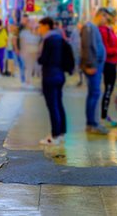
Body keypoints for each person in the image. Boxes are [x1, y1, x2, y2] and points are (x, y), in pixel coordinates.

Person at [37, 17, 67, 145]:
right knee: (59, 104)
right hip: (59, 74)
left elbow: (43, 59)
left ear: (46, 26)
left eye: (40, 26)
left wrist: (39, 57)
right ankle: (61, 133)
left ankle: (54, 136)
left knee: (52, 105)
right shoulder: (59, 38)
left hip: (50, 75)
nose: (39, 29)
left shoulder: (48, 40)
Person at [80, 8, 109, 134]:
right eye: (105, 17)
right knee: (94, 94)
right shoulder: (89, 28)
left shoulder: (93, 28)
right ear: (99, 15)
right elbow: (87, 47)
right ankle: (92, 124)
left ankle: (92, 123)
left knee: (94, 94)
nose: (106, 20)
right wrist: (90, 64)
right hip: (93, 66)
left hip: (95, 65)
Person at [99, 8, 117, 125]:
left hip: (112, 63)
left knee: (109, 90)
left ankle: (104, 115)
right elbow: (105, 50)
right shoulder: (103, 31)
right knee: (108, 90)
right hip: (109, 63)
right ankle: (103, 116)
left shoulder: (108, 30)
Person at [19, 17, 41, 83]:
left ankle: (32, 80)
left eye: (33, 23)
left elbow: (39, 41)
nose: (32, 24)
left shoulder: (38, 32)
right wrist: (22, 51)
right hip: (28, 51)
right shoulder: (24, 32)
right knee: (28, 67)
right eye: (31, 23)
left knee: (36, 66)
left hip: (36, 51)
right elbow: (22, 42)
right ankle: (27, 80)